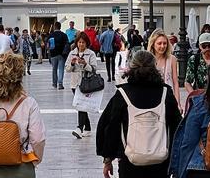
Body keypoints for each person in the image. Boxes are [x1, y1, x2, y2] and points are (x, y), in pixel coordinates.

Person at [96, 50, 182, 178]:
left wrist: (108, 159)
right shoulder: (165, 93)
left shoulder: (123, 94)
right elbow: (177, 127)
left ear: (131, 67)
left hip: (129, 162)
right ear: (154, 67)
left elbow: (110, 126)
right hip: (160, 163)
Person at [68, 31, 99, 139]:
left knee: (80, 105)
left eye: (83, 42)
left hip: (86, 83)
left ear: (87, 43)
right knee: (81, 106)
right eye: (79, 42)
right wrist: (72, 64)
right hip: (74, 83)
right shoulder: (72, 53)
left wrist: (85, 64)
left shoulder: (91, 54)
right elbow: (67, 69)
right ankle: (88, 128)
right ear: (76, 43)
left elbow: (94, 69)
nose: (81, 45)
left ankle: (79, 128)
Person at [147, 29, 180, 103]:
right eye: (159, 43)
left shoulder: (172, 59)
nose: (162, 46)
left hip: (168, 98)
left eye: (164, 43)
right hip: (152, 100)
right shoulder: (147, 60)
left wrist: (178, 103)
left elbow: (175, 82)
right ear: (153, 44)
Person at [49, 22, 69, 90]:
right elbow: (67, 44)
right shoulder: (64, 35)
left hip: (53, 54)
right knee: (61, 69)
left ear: (55, 27)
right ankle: (60, 83)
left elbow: (48, 45)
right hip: (62, 55)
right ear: (60, 27)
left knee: (54, 69)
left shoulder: (51, 35)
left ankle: (54, 83)